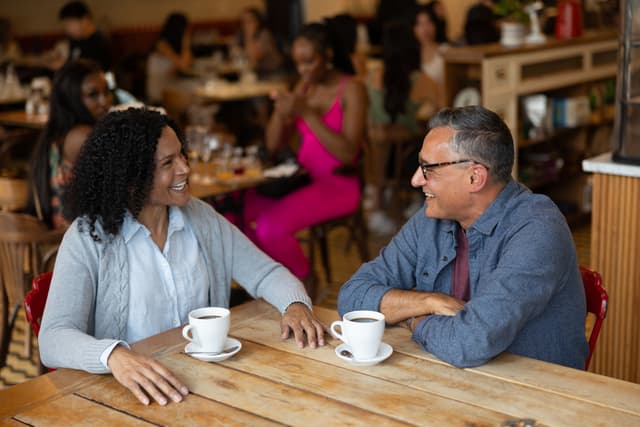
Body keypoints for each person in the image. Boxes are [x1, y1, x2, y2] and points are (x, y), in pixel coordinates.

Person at [39, 107, 326, 406]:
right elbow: (53, 338)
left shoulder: (201, 218)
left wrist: (294, 304)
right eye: (167, 163)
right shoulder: (88, 237)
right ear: (131, 178)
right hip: (129, 396)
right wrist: (115, 356)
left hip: (206, 385)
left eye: (181, 154)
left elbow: (266, 273)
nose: (185, 168)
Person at [338, 106, 589, 369]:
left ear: (474, 177)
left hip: (540, 397)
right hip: (454, 380)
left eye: (428, 169)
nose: (415, 180)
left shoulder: (538, 229)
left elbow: (469, 343)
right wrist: (427, 301)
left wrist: (411, 319)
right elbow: (352, 296)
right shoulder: (432, 218)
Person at [243, 23, 367, 294]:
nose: (303, 70)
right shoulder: (304, 87)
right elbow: (272, 145)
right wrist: (280, 111)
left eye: (309, 62)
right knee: (241, 211)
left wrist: (308, 113)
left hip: (338, 186)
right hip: (301, 180)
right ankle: (273, 278)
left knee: (269, 227)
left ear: (328, 55)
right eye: (298, 63)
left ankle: (304, 279)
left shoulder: (352, 89)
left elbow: (348, 151)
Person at [366, 20, 441, 234]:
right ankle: (418, 200)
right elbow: (441, 106)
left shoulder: (372, 77)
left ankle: (380, 199)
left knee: (383, 138)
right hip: (406, 158)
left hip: (376, 157)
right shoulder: (419, 80)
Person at [27, 59, 113, 229]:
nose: (105, 101)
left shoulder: (58, 132)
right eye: (93, 95)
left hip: (65, 237)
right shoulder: (82, 136)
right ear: (71, 99)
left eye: (107, 91)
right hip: (74, 242)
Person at [146, 12, 192, 104]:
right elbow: (184, 66)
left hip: (169, 86)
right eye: (186, 29)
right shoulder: (162, 45)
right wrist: (186, 43)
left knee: (196, 86)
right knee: (194, 91)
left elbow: (186, 65)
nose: (188, 31)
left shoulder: (174, 46)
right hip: (159, 91)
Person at [52, 1, 112, 71]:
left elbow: (93, 73)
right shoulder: (73, 41)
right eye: (65, 26)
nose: (67, 30)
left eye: (70, 24)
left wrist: (64, 65)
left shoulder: (99, 43)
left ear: (85, 20)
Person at [237, 7, 286, 79]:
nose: (246, 25)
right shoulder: (247, 36)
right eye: (244, 22)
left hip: (275, 73)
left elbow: (254, 60)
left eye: (249, 21)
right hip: (262, 73)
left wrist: (249, 37)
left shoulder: (264, 34)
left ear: (257, 22)